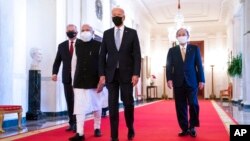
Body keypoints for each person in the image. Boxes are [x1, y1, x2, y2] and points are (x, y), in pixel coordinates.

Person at [98, 7, 141, 141]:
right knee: (112, 105)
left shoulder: (132, 33)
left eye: (118, 15)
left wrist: (136, 74)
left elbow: (137, 55)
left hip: (127, 74)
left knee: (128, 103)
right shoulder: (107, 33)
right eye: (114, 15)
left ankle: (130, 126)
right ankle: (114, 136)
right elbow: (102, 55)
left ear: (124, 17)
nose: (116, 16)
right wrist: (102, 74)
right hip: (111, 74)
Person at [166, 28, 205, 137]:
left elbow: (199, 65)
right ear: (176, 37)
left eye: (184, 34)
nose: (181, 36)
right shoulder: (172, 50)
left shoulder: (194, 49)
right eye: (179, 34)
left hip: (192, 81)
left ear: (188, 36)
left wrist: (201, 79)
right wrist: (169, 79)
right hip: (178, 82)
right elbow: (169, 66)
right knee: (180, 106)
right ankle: (184, 128)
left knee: (193, 104)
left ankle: (192, 126)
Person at [69, 24, 103, 141]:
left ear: (93, 32)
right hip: (79, 81)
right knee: (79, 107)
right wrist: (73, 81)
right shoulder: (77, 45)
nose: (85, 32)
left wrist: (102, 80)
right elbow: (74, 64)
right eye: (82, 30)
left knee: (96, 105)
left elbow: (102, 64)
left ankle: (97, 127)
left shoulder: (99, 45)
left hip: (94, 80)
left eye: (87, 30)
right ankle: (80, 133)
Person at [52, 24, 79, 132]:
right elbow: (57, 61)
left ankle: (78, 123)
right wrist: (54, 73)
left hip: (79, 77)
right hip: (67, 78)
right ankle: (72, 123)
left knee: (78, 101)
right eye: (68, 31)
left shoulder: (82, 44)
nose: (70, 32)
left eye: (72, 30)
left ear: (76, 32)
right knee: (70, 100)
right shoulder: (62, 46)